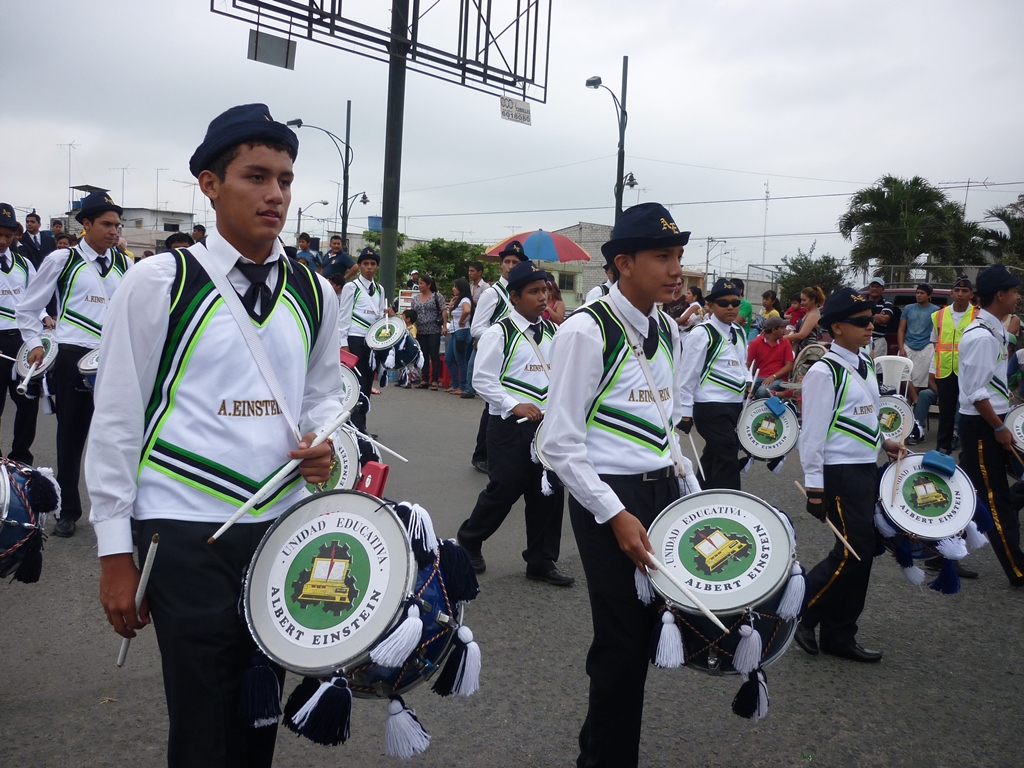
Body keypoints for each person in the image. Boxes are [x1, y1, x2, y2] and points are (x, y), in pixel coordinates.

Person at [90, 103, 342, 768]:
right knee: (202, 723)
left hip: (279, 528)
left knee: (259, 715)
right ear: (209, 184)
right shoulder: (158, 283)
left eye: (285, 180)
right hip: (182, 530)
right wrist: (114, 551)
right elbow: (116, 418)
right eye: (256, 177)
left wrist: (323, 442)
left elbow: (322, 396)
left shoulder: (316, 291)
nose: (275, 194)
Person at [543, 202, 697, 768]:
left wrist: (689, 488)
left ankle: (600, 750)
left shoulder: (666, 329)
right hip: (609, 499)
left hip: (661, 493)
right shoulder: (586, 330)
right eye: (662, 256)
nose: (676, 269)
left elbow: (665, 425)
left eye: (678, 255)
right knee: (622, 641)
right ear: (624, 263)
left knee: (648, 628)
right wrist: (614, 513)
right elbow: (558, 443)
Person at [795, 287, 907, 663]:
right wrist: (815, 487)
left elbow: (865, 416)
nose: (870, 327)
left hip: (864, 469)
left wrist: (885, 442)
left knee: (864, 552)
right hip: (838, 473)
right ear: (837, 327)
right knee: (852, 551)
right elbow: (812, 435)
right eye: (861, 322)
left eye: (871, 320)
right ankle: (801, 609)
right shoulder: (823, 372)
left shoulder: (864, 363)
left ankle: (839, 634)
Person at [17, 190, 130, 538]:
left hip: (113, 357)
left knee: (118, 439)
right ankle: (68, 511)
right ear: (86, 224)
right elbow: (28, 307)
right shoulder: (62, 259)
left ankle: (119, 512)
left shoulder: (125, 263)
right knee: (71, 436)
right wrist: (35, 344)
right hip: (71, 355)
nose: (114, 231)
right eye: (106, 224)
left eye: (117, 225)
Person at [457, 259, 573, 586]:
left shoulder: (554, 331)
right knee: (504, 489)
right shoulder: (500, 332)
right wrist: (514, 404)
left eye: (544, 291)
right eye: (533, 292)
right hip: (509, 426)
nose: (542, 297)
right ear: (515, 297)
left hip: (546, 428)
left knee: (548, 493)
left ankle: (541, 560)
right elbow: (482, 380)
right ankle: (469, 539)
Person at [956, 265, 1024, 587]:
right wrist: (999, 427)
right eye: (1014, 291)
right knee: (995, 500)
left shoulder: (993, 331)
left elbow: (988, 385)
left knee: (982, 495)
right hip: (983, 426)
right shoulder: (981, 336)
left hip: (993, 421)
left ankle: (940, 549)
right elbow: (975, 392)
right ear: (1000, 295)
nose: (1018, 297)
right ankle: (1018, 570)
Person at [679, 277, 751, 491]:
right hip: (709, 405)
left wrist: (748, 382)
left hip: (734, 404)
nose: (730, 307)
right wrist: (685, 411)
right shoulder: (702, 333)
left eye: (735, 302)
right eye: (723, 303)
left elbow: (742, 364)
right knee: (727, 454)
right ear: (709, 305)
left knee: (714, 454)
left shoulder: (738, 331)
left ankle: (698, 493)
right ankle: (730, 500)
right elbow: (687, 375)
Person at [468, 240, 526, 470]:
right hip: (498, 356)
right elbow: (476, 328)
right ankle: (481, 454)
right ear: (501, 264)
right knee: (492, 406)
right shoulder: (493, 294)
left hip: (516, 358)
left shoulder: (521, 293)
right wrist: (500, 338)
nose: (510, 266)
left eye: (516, 262)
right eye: (507, 262)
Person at [0, 204, 40, 463]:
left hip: (23, 339)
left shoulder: (24, 264)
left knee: (28, 400)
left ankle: (20, 457)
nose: (3, 241)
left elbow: (36, 298)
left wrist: (44, 316)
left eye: (8, 235)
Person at [338, 246, 391, 432]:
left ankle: (361, 425)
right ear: (359, 266)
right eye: (366, 264)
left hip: (372, 342)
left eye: (373, 264)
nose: (369, 267)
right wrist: (344, 344)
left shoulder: (379, 289)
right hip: (355, 339)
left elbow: (379, 317)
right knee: (355, 384)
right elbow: (343, 317)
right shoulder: (351, 287)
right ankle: (353, 426)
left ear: (377, 267)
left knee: (368, 383)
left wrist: (389, 316)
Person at [924, 276, 976, 455]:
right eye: (957, 290)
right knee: (945, 412)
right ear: (951, 293)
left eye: (965, 291)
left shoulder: (977, 315)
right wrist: (933, 369)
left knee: (969, 411)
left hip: (969, 371)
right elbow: (935, 343)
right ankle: (942, 448)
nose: (960, 294)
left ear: (971, 294)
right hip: (946, 370)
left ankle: (968, 450)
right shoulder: (939, 315)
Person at [897, 283, 938, 443]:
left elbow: (937, 332)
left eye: (922, 293)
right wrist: (901, 348)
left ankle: (911, 422)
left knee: (920, 380)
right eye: (917, 292)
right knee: (903, 375)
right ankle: (916, 400)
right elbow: (901, 329)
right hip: (908, 345)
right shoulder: (908, 308)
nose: (918, 295)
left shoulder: (935, 310)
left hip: (926, 347)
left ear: (929, 295)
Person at [409, 274, 445, 390]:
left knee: (434, 355)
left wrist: (444, 326)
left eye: (421, 283)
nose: (419, 286)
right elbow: (412, 313)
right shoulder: (415, 299)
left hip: (434, 329)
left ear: (428, 285)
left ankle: (434, 380)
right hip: (420, 330)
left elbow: (443, 311)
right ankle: (424, 379)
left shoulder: (437, 296)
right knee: (423, 355)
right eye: (418, 283)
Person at [462, 261, 490, 399]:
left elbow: (485, 306)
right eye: (469, 271)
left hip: (482, 327)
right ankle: (468, 387)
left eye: (472, 271)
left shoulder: (486, 288)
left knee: (476, 359)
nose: (470, 273)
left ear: (480, 272)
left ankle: (471, 389)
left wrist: (470, 300)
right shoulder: (470, 287)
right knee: (468, 357)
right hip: (470, 324)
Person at [748, 316, 795, 397]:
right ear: (774, 330)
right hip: (758, 377)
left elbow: (789, 366)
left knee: (762, 391)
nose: (784, 330)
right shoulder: (755, 343)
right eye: (782, 328)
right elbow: (747, 364)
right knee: (743, 389)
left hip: (778, 378)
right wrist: (747, 382)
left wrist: (774, 376)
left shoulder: (786, 343)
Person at [445, 278, 473, 394]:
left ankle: (462, 386)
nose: (453, 289)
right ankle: (455, 383)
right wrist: (452, 304)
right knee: (448, 358)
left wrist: (461, 321)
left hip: (462, 331)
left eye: (455, 287)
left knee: (460, 360)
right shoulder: (458, 300)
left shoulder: (465, 300)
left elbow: (467, 310)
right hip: (455, 331)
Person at [783, 286, 825, 352]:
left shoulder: (813, 315)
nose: (801, 303)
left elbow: (801, 335)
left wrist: (782, 338)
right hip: (802, 349)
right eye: (801, 300)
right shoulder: (808, 312)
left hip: (807, 351)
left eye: (804, 300)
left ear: (813, 300)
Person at [864, 276, 894, 358]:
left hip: (878, 341)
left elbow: (884, 319)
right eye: (872, 286)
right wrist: (877, 316)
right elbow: (854, 317)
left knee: (876, 365)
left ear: (883, 289)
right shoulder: (861, 301)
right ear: (869, 288)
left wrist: (864, 316)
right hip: (861, 340)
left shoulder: (887, 304)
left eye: (877, 287)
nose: (875, 288)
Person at [732, 277, 756, 341]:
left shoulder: (745, 304)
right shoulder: (728, 303)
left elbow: (735, 322)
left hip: (740, 337)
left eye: (733, 289)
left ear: (740, 290)